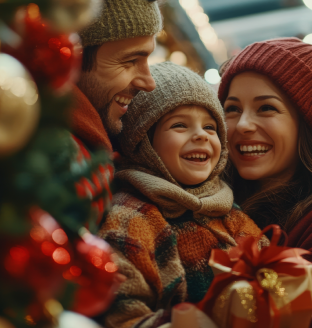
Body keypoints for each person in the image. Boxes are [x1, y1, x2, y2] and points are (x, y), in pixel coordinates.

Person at [218, 21, 312, 328]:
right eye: (232, 108)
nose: (243, 124)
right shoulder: (210, 198)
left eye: (266, 109)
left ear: (306, 125)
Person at [98, 62, 266, 328]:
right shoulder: (131, 218)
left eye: (210, 127)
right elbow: (123, 314)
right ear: (144, 142)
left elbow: (268, 264)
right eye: (179, 125)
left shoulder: (227, 211)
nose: (200, 135)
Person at [71, 0, 165, 224]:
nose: (149, 83)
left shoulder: (97, 155)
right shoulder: (55, 159)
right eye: (130, 61)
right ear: (73, 59)